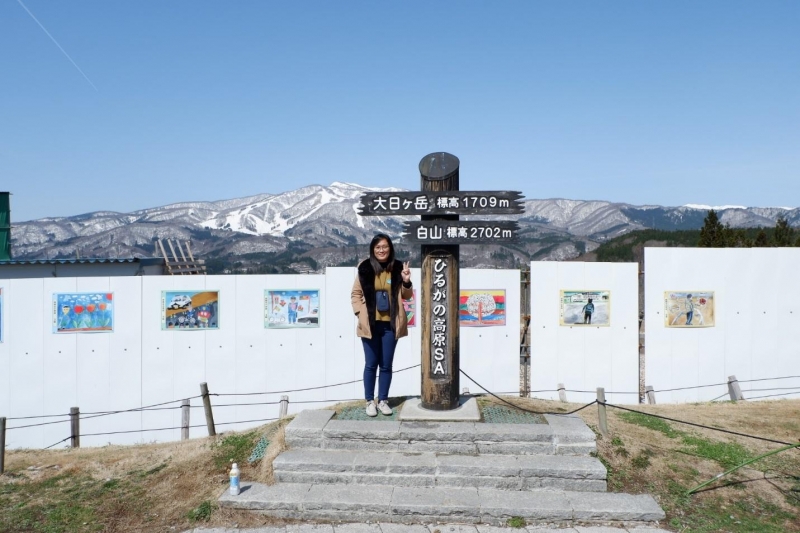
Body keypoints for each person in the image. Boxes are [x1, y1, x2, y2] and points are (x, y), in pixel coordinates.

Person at [351, 234, 412, 417]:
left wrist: (406, 281)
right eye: (378, 247)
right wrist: (360, 313)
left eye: (384, 247)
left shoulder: (398, 268)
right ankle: (370, 401)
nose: (381, 250)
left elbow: (406, 296)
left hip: (390, 325)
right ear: (373, 249)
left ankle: (383, 400)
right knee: (371, 364)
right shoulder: (365, 268)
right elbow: (355, 294)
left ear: (390, 248)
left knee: (386, 365)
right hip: (370, 325)